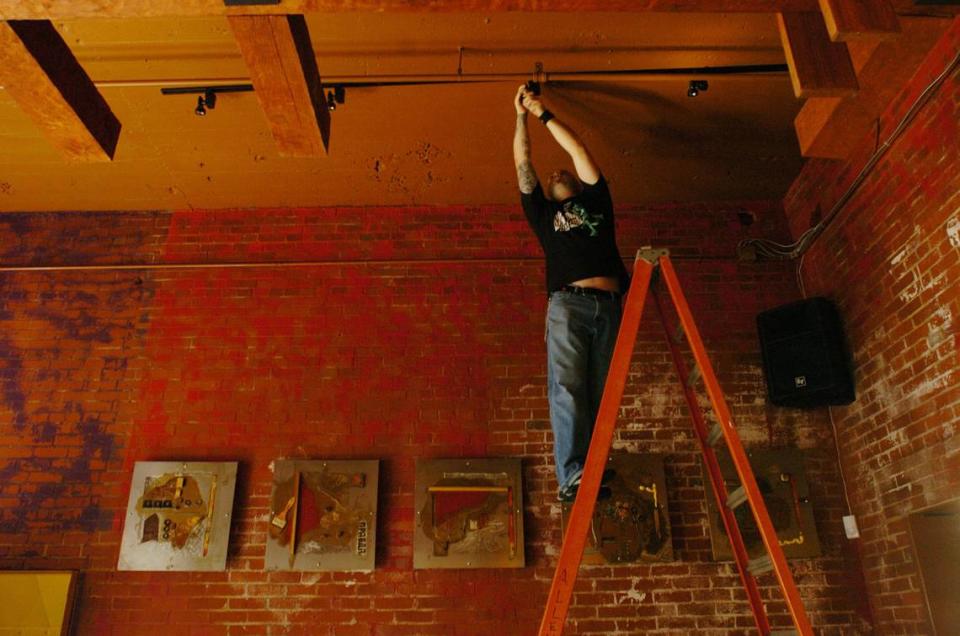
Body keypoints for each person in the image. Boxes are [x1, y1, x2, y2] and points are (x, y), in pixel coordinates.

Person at [513, 84, 630, 503]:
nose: (556, 173)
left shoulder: (598, 200)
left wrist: (543, 114)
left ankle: (589, 471)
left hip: (612, 307)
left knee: (599, 395)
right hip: (568, 305)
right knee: (566, 388)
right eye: (552, 176)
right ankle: (572, 475)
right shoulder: (545, 217)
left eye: (563, 173)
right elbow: (523, 163)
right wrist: (519, 117)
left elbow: (577, 147)